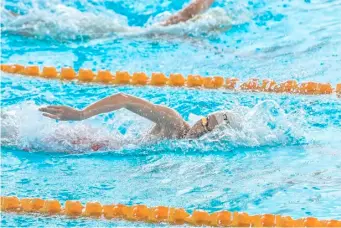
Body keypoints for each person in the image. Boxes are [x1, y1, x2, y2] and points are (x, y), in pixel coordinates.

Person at [39, 92, 238, 140]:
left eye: (207, 125)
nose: (201, 125)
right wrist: (81, 114)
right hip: (91, 143)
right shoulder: (174, 122)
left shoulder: (185, 143)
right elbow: (123, 99)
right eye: (204, 120)